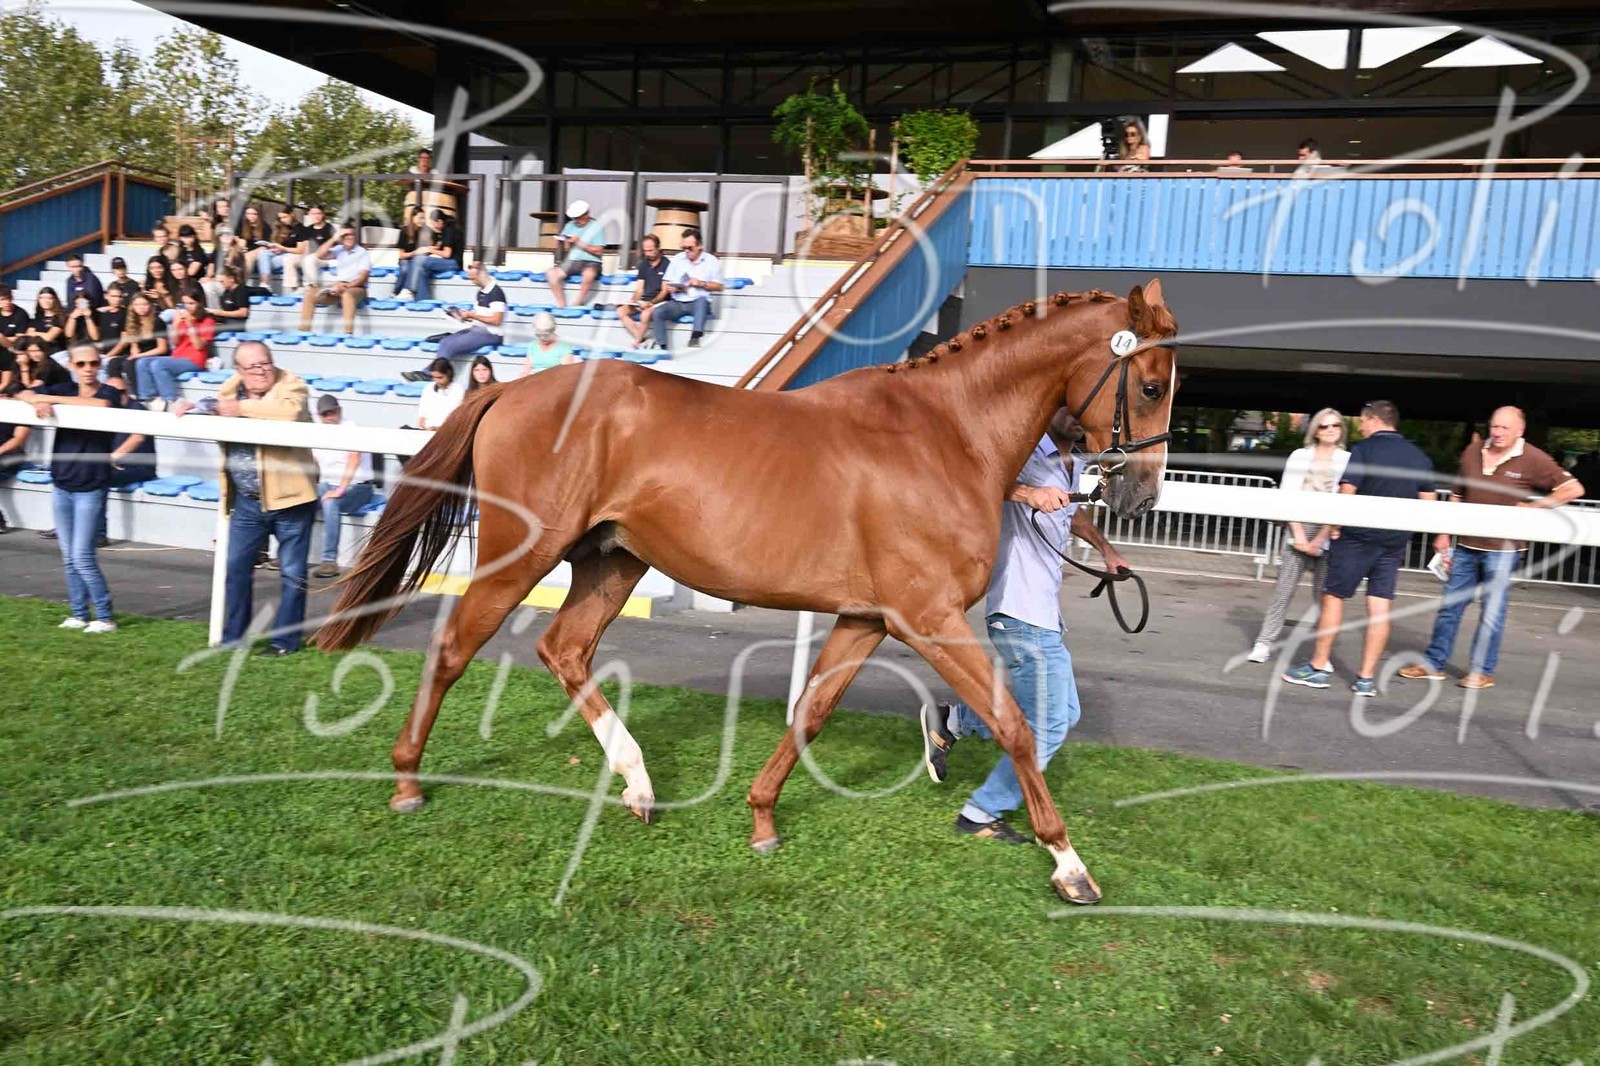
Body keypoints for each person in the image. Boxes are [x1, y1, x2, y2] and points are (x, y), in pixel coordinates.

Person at [918, 408, 1129, 842]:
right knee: (1047, 725)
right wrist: (1029, 493)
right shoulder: (1022, 449)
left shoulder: (1072, 463)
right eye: (1067, 407)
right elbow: (977, 480)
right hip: (1018, 610)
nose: (1076, 416)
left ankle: (953, 721)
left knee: (1065, 713)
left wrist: (1106, 551)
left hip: (1044, 614)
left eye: (1081, 410)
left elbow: (1073, 514)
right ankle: (980, 812)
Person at [1398, 406, 1585, 690]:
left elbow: (1573, 489)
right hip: (1466, 545)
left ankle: (1481, 671)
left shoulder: (1533, 457)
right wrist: (1444, 533)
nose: (1497, 432)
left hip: (1504, 550)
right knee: (1449, 608)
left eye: (1504, 428)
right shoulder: (1472, 451)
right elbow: (1457, 496)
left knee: (1491, 613)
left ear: (1519, 431)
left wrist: (1535, 507)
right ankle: (1433, 663)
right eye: (1494, 426)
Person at [173, 341, 319, 656]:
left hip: (292, 500)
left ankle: (285, 642)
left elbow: (289, 413)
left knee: (292, 574)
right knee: (235, 569)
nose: (261, 371)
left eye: (265, 363)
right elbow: (215, 405)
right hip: (247, 502)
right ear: (239, 370)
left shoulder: (291, 384)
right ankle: (234, 638)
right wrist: (192, 406)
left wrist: (238, 409)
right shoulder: (230, 389)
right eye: (253, 366)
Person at [1283, 400, 1435, 697]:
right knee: (1380, 607)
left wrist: (1334, 527)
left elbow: (1347, 493)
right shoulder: (1418, 456)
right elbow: (1429, 504)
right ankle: (1365, 679)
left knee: (1333, 597)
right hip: (1393, 541)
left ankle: (1318, 667)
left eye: (1363, 421)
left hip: (1356, 538)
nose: (1361, 427)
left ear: (1375, 420)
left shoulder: (1365, 450)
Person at [15, 342, 122, 632]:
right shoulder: (64, 388)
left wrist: (48, 399)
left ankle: (104, 616)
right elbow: (22, 392)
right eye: (81, 364)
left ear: (100, 365)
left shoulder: (108, 392)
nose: (88, 369)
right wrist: (36, 400)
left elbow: (102, 405)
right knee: (68, 557)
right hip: (62, 482)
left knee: (82, 556)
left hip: (91, 484)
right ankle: (79, 613)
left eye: (93, 363)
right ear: (72, 366)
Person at [1247, 409, 1350, 663]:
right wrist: (1299, 534)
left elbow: (1344, 501)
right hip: (1298, 526)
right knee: (1283, 591)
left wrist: (1321, 538)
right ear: (1315, 430)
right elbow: (1287, 494)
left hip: (1330, 530)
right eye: (1324, 426)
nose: (1330, 430)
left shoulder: (1347, 459)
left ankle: (1322, 654)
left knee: (1325, 597)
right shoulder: (1300, 456)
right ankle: (1264, 643)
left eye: (1335, 425)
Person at [310, 393, 376, 578]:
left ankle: (329, 560)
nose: (329, 417)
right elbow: (313, 462)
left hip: (358, 487)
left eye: (332, 412)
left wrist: (340, 489)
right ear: (319, 416)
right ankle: (287, 554)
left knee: (331, 502)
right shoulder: (318, 433)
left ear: (340, 411)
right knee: (298, 499)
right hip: (327, 485)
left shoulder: (351, 429)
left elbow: (354, 459)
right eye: (325, 414)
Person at [136, 289, 213, 410]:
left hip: (195, 360)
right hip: (178, 356)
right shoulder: (182, 319)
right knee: (142, 362)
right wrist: (176, 324)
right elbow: (175, 342)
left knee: (158, 364)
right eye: (185, 303)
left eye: (191, 303)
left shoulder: (208, 321)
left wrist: (191, 325)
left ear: (199, 303)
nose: (188, 307)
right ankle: (149, 398)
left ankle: (172, 399)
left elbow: (198, 346)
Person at [652, 228, 722, 350]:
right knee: (657, 312)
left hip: (698, 302)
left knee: (701, 300)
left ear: (700, 246)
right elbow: (667, 282)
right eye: (683, 248)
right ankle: (662, 346)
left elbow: (719, 286)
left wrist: (701, 283)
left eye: (690, 248)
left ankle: (695, 337)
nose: (686, 251)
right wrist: (673, 288)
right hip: (677, 302)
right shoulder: (677, 259)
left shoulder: (711, 261)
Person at [298, 226, 370, 335]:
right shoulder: (340, 249)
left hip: (357, 288)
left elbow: (363, 278)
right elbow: (319, 255)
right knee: (310, 294)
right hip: (339, 286)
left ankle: (348, 333)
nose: (349, 237)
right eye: (345, 235)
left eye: (351, 235)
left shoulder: (362, 252)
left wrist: (346, 286)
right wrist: (333, 238)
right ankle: (304, 331)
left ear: (355, 236)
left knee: (347, 294)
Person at [433, 259, 505, 364]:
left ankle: (434, 371)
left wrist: (473, 316)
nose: (472, 282)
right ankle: (433, 370)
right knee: (444, 341)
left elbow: (497, 320)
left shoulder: (496, 293)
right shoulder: (480, 292)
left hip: (491, 334)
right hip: (478, 329)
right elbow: (480, 316)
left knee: (449, 345)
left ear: (481, 274)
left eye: (474, 278)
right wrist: (465, 316)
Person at [545, 199, 605, 309]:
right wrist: (563, 240)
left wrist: (579, 242)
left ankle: (578, 302)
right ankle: (561, 304)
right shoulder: (570, 225)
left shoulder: (596, 226)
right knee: (551, 273)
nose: (576, 220)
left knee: (588, 275)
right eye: (575, 218)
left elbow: (599, 250)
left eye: (578, 217)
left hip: (591, 261)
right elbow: (565, 238)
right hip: (572, 260)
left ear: (586, 215)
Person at [106, 293, 168, 388]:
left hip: (154, 354)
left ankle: (139, 393)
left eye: (144, 304)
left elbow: (162, 349)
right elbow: (134, 347)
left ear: (150, 305)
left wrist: (138, 356)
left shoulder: (157, 322)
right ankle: (117, 390)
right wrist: (134, 352)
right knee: (113, 362)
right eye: (137, 305)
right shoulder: (133, 322)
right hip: (140, 354)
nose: (141, 308)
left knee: (130, 364)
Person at [619, 233, 669, 349]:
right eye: (645, 251)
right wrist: (633, 301)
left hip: (659, 302)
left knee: (645, 315)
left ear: (658, 248)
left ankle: (636, 343)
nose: (648, 254)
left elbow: (664, 292)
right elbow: (639, 289)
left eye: (651, 250)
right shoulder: (644, 264)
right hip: (644, 301)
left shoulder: (667, 264)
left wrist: (651, 303)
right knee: (621, 311)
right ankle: (642, 339)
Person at [400, 210, 460, 302]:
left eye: (433, 224)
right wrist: (435, 248)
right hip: (449, 262)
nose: (433, 227)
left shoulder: (448, 230)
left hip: (453, 263)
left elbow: (447, 254)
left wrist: (429, 249)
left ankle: (409, 289)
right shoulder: (446, 230)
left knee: (419, 259)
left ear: (439, 221)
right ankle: (423, 301)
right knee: (421, 270)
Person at [285, 205, 335, 294]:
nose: (316, 216)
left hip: (324, 258)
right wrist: (303, 257)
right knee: (289, 259)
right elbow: (306, 247)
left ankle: (312, 287)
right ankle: (293, 289)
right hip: (310, 257)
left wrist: (312, 256)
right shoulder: (308, 229)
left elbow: (332, 248)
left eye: (318, 213)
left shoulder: (329, 228)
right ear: (309, 215)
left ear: (323, 214)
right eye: (313, 214)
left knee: (309, 259)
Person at [414, 356, 464, 431]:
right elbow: (422, 417)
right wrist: (426, 428)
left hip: (447, 432)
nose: (436, 381)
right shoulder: (428, 388)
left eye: (440, 377)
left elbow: (455, 417)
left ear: (449, 374)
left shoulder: (458, 390)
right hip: (426, 431)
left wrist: (438, 429)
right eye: (434, 377)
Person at [392, 206, 432, 297]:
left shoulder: (424, 231)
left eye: (424, 218)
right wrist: (415, 253)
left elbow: (429, 248)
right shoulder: (404, 231)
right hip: (406, 259)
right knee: (406, 269)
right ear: (413, 218)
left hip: (417, 261)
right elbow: (401, 255)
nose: (423, 221)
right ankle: (395, 292)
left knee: (420, 270)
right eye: (420, 218)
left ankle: (410, 293)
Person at [258, 207, 300, 291]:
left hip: (290, 254)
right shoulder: (278, 227)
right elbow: (276, 243)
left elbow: (299, 249)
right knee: (263, 253)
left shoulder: (299, 228)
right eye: (280, 218)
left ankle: (265, 284)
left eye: (285, 217)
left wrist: (282, 249)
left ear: (291, 215)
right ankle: (265, 285)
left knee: (265, 262)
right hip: (279, 253)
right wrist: (273, 248)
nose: (282, 220)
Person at [27, 287, 66, 356]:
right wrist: (40, 334)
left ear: (55, 300)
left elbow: (49, 337)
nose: (45, 301)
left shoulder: (60, 317)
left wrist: (35, 333)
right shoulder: (38, 316)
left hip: (57, 353)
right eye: (42, 298)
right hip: (40, 353)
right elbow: (29, 334)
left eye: (49, 298)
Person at [213, 268, 251, 333]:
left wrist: (222, 313)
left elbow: (243, 313)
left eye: (222, 282)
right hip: (227, 321)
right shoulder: (226, 292)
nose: (221, 284)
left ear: (231, 279)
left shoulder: (241, 290)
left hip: (237, 323)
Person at [238, 204, 270, 279]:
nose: (251, 216)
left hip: (259, 254)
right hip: (244, 251)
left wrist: (250, 252)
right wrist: (241, 247)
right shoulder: (241, 225)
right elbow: (240, 240)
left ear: (259, 215)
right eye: (248, 214)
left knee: (248, 257)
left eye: (254, 214)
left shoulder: (265, 227)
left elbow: (265, 246)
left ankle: (242, 282)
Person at [0, 288, 31, 360]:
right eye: (3, 299)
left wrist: (2, 339)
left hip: (13, 350)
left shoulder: (21, 313)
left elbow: (20, 337)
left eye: (9, 298)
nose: (7, 302)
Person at [97, 285, 129, 352]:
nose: (117, 299)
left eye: (119, 296)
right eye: (113, 296)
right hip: (101, 352)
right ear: (106, 296)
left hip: (120, 354)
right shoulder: (101, 314)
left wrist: (108, 355)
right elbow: (96, 336)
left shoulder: (125, 314)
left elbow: (124, 342)